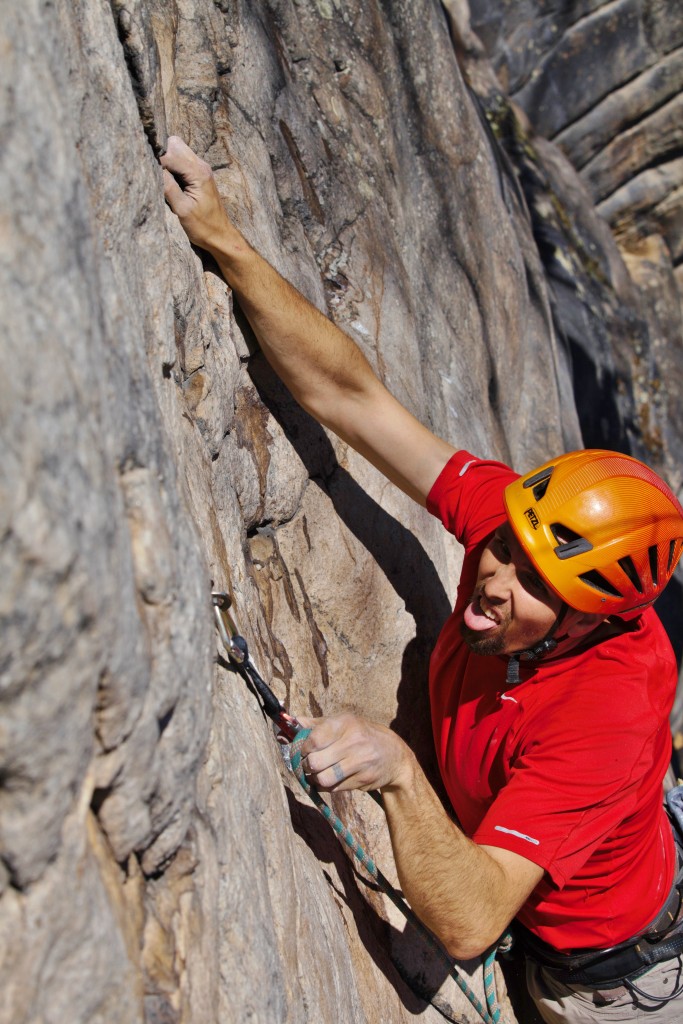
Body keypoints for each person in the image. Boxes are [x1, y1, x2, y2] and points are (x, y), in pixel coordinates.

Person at [161, 136, 683, 1022]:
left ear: (592, 622)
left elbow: (475, 917)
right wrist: (226, 241)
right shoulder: (523, 531)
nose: (493, 576)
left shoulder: (606, 711)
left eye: (533, 587)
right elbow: (354, 402)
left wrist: (400, 772)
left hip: (608, 979)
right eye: (506, 547)